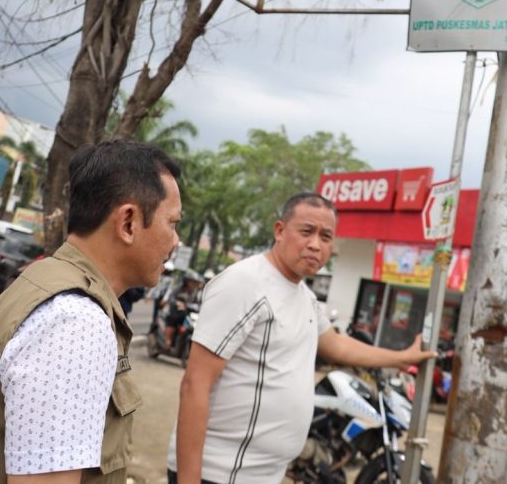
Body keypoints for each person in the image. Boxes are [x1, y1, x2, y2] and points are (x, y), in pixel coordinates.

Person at [0, 140, 182, 483]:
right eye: (173, 223)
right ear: (128, 222)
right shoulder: (76, 322)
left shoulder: (47, 279)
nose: (175, 241)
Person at [169, 192, 436, 484]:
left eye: (326, 236)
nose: (315, 244)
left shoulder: (305, 297)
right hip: (218, 474)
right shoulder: (245, 283)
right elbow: (195, 384)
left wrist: (402, 358)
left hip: (261, 476)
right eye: (307, 231)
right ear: (280, 231)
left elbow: (337, 345)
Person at [161, 269, 204, 349]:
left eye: (195, 282)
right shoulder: (179, 289)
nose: (194, 284)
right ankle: (168, 340)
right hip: (175, 312)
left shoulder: (195, 293)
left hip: (188, 313)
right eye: (192, 282)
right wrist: (177, 303)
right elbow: (171, 298)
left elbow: (198, 303)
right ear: (187, 281)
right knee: (173, 321)